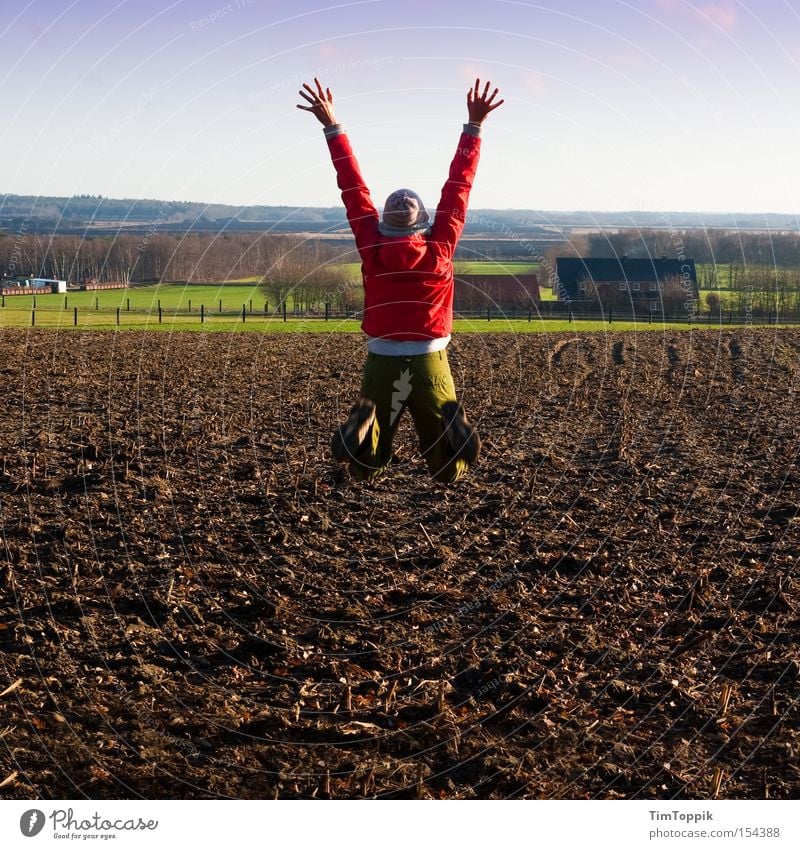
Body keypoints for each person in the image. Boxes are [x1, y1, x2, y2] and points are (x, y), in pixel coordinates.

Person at [297, 77, 503, 483]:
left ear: (382, 221)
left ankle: (366, 425)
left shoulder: (371, 245)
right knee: (447, 471)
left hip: (381, 360)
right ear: (424, 220)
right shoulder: (440, 246)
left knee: (367, 468)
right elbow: (458, 188)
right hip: (431, 361)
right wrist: (474, 126)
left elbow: (352, 186)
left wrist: (331, 125)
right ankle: (452, 431)